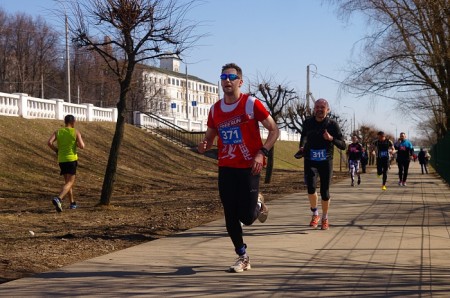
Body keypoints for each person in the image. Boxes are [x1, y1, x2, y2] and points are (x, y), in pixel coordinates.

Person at [197, 63, 279, 273]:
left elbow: (274, 130)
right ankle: (242, 256)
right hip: (226, 167)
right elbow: (210, 136)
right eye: (223, 77)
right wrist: (205, 144)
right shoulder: (215, 109)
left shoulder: (251, 104)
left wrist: (262, 153)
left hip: (249, 166)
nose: (227, 80)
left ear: (240, 82)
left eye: (231, 77)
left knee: (247, 218)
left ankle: (258, 205)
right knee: (230, 214)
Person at [296, 98, 346, 230]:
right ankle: (315, 214)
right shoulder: (308, 122)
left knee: (325, 191)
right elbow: (304, 137)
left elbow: (343, 145)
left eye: (322, 107)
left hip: (325, 161)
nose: (319, 109)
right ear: (314, 109)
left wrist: (331, 139)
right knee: (311, 187)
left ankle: (325, 217)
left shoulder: (332, 125)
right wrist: (302, 147)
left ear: (327, 110)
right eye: (317, 107)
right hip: (310, 159)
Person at [47, 114, 85, 212]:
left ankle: (72, 203)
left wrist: (56, 150)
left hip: (62, 160)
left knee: (67, 183)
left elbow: (49, 143)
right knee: (70, 182)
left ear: (65, 122)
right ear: (73, 122)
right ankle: (58, 198)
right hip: (71, 159)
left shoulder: (58, 132)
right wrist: (76, 143)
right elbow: (82, 146)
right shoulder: (75, 132)